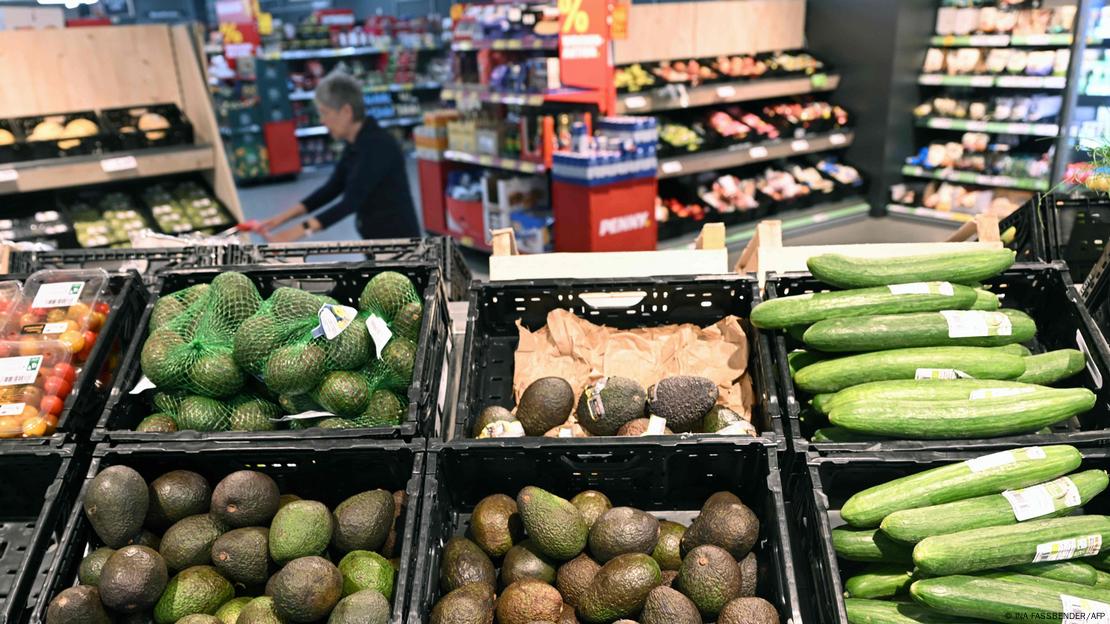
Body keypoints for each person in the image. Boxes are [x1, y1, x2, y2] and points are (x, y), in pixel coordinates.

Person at [261, 72, 421, 242]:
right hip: (377, 240)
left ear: (346, 111)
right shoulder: (355, 142)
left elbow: (350, 202)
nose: (322, 120)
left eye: (325, 113)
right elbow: (331, 188)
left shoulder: (378, 145)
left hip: (399, 245)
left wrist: (294, 233)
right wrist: (279, 219)